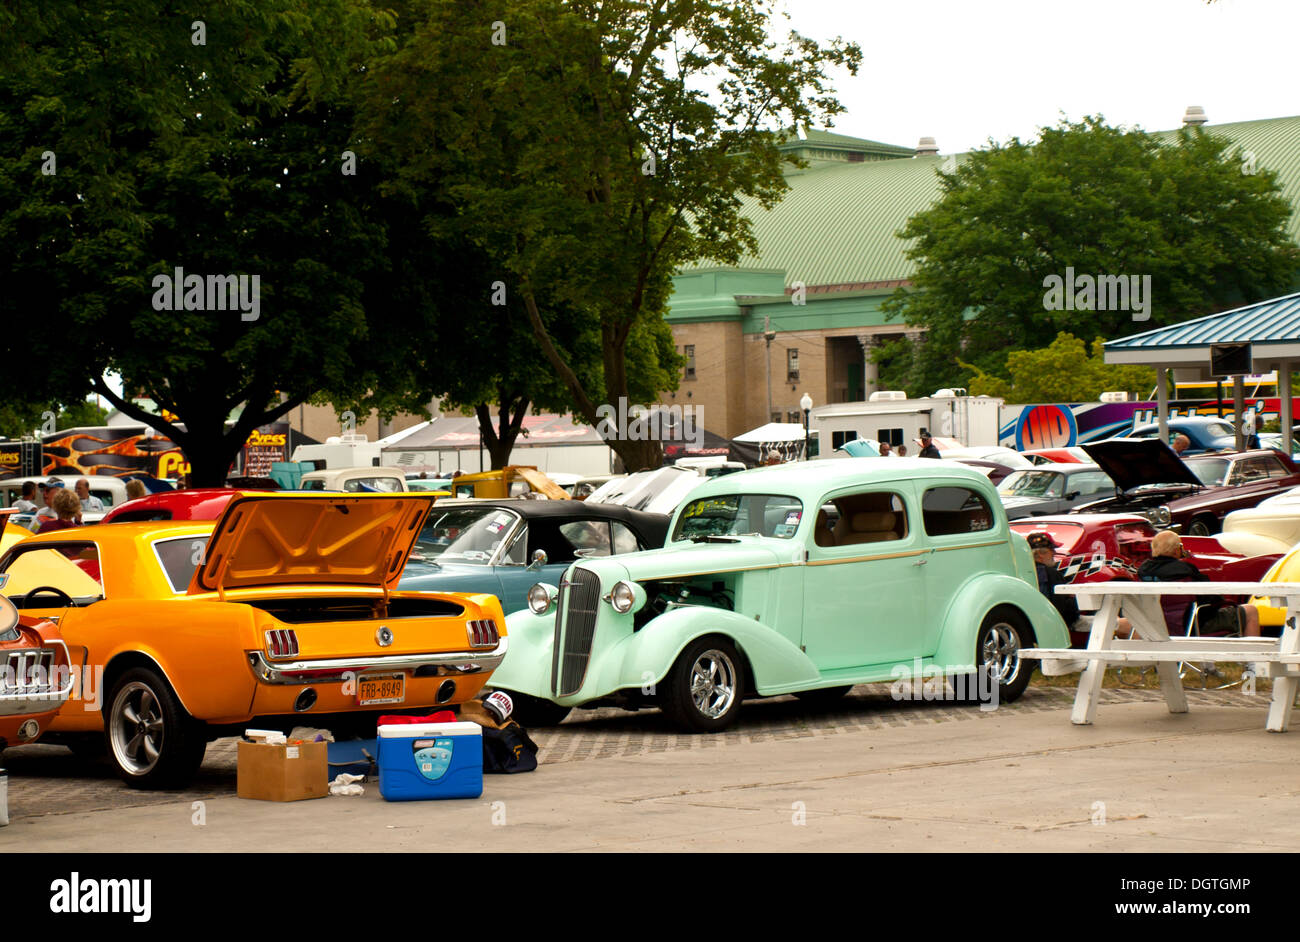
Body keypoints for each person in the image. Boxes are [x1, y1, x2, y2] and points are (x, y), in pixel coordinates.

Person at [1116, 530, 1261, 638]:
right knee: (1250, 611)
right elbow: (1211, 600)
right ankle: (1254, 666)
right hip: (1191, 626)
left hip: (1155, 625)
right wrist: (1225, 602)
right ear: (1175, 549)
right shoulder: (1185, 570)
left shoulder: (1143, 570)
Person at [1027, 532, 1082, 628]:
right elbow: (1064, 612)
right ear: (1040, 554)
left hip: (1030, 625)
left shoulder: (1022, 572)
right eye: (1051, 549)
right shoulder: (1051, 574)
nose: (1054, 553)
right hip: (1055, 626)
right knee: (1115, 623)